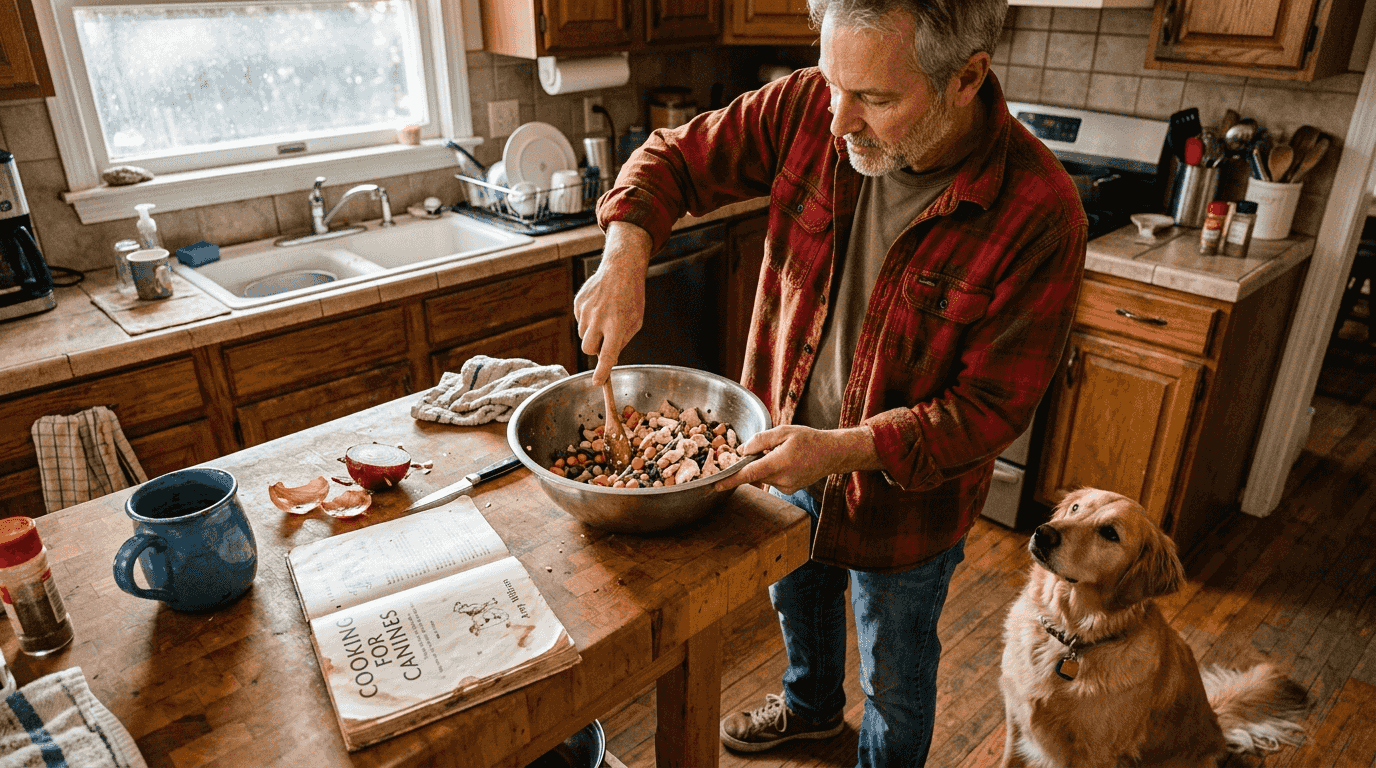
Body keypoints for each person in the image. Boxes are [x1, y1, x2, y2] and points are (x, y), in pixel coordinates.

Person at [574, 0, 1086, 764]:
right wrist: (625, 252)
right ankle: (811, 710)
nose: (838, 119)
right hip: (782, 452)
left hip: (905, 503)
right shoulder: (810, 105)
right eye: (833, 84)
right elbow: (673, 158)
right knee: (797, 603)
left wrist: (842, 449)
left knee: (894, 677)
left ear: (966, 78)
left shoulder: (1041, 213)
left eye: (875, 99)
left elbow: (987, 411)